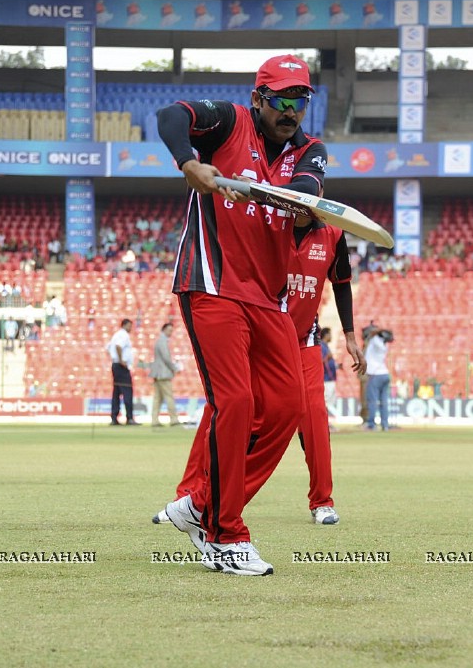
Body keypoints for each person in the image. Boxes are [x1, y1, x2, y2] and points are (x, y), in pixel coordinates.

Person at [151, 54, 325, 575]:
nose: (291, 110)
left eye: (301, 100)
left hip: (267, 298)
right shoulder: (228, 119)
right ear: (259, 98)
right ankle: (225, 533)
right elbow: (169, 115)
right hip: (211, 283)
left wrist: (299, 201)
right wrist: (190, 163)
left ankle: (201, 505)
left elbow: (311, 188)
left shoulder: (310, 151)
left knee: (289, 406)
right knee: (235, 401)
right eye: (282, 100)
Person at [163, 213, 366, 528]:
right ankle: (189, 495)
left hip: (304, 342)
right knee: (222, 408)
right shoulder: (268, 226)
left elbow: (341, 284)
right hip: (262, 339)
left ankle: (322, 502)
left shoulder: (333, 236)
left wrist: (350, 336)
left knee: (313, 418)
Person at [107, 318, 139, 425]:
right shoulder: (123, 335)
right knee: (127, 391)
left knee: (116, 392)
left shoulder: (116, 335)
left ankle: (114, 417)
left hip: (115, 365)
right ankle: (129, 417)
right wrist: (121, 360)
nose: (131, 328)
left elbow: (108, 347)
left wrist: (116, 359)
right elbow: (118, 346)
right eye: (129, 326)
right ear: (125, 325)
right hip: (121, 366)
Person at [150, 322, 182, 427]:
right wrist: (174, 368)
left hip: (158, 374)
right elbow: (166, 358)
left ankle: (154, 420)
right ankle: (173, 419)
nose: (171, 332)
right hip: (163, 374)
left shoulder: (159, 341)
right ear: (164, 330)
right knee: (169, 397)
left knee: (158, 398)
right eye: (169, 330)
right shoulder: (162, 341)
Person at [363, 326, 392, 431]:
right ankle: (385, 425)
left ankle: (371, 424)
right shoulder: (384, 344)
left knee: (372, 400)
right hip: (384, 373)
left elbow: (370, 335)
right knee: (384, 401)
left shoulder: (375, 341)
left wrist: (375, 331)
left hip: (375, 375)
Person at [320, 327, 338, 430]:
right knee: (325, 402)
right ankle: (324, 423)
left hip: (329, 378)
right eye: (330, 334)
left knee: (327, 402)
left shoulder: (326, 346)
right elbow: (320, 361)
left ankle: (325, 422)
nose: (331, 336)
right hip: (325, 379)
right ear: (326, 334)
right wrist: (328, 357)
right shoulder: (322, 346)